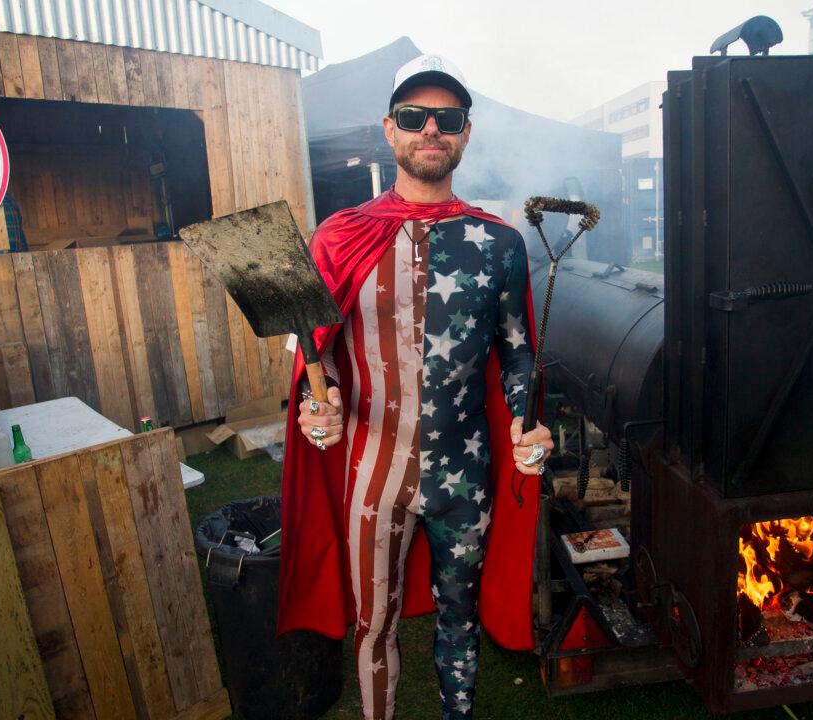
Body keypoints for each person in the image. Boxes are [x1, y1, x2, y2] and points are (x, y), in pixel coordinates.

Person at [276, 54, 554, 720]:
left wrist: (526, 422)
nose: (431, 129)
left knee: (460, 620)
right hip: (372, 472)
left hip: (466, 476)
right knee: (372, 625)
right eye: (413, 116)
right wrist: (316, 404)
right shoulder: (338, 238)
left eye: (447, 119)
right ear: (389, 129)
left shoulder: (501, 243)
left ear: (465, 133)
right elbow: (316, 353)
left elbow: (517, 352)